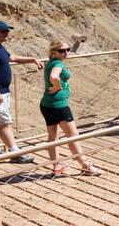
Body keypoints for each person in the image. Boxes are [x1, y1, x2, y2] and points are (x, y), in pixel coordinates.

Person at [0, 21, 41, 163]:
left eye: (7, 31)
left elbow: (12, 58)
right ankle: (14, 152)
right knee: (5, 123)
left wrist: (32, 59)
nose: (7, 34)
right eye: (3, 31)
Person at [40, 40, 103, 176]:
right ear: (54, 52)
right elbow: (54, 77)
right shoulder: (57, 63)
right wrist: (57, 86)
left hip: (47, 104)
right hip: (59, 105)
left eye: (67, 49)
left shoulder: (50, 62)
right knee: (72, 136)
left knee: (53, 136)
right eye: (62, 50)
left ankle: (56, 165)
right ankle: (85, 165)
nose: (66, 52)